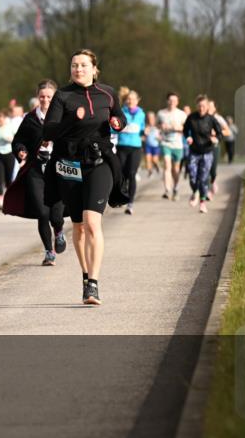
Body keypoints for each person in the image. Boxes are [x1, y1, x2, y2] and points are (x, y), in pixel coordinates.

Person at [42, 49, 126, 306]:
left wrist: (117, 122)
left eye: (83, 65)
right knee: (77, 226)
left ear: (94, 69)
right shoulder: (63, 95)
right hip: (70, 165)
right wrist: (71, 121)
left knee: (92, 222)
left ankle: (94, 284)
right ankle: (85, 275)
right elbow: (49, 129)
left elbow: (119, 116)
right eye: (74, 65)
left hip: (98, 162)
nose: (78, 69)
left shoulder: (107, 93)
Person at [13, 79, 66, 266]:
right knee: (42, 213)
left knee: (56, 215)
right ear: (38, 97)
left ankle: (59, 231)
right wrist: (20, 150)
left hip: (58, 170)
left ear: (55, 97)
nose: (45, 100)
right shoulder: (30, 118)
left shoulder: (63, 117)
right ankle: (48, 251)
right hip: (36, 171)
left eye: (49, 96)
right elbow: (18, 140)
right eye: (42, 96)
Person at [183, 95, 224, 213]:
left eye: (204, 106)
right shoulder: (191, 118)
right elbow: (185, 130)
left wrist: (216, 139)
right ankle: (194, 191)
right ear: (196, 106)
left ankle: (202, 203)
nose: (201, 108)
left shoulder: (211, 119)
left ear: (207, 107)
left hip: (207, 152)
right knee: (192, 176)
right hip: (194, 151)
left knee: (203, 177)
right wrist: (188, 137)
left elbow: (220, 133)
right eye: (199, 106)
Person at [114, 90, 146, 215]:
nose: (130, 101)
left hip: (135, 148)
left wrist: (144, 132)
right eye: (128, 99)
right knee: (122, 174)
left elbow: (142, 128)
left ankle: (130, 203)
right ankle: (122, 194)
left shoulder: (141, 114)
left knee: (132, 173)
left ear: (138, 100)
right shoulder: (121, 112)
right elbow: (115, 128)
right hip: (122, 147)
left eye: (133, 99)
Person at [157, 93, 187, 201]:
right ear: (167, 101)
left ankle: (176, 188)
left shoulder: (182, 114)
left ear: (177, 102)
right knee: (167, 165)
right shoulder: (161, 113)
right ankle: (167, 190)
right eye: (170, 100)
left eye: (174, 100)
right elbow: (157, 125)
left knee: (176, 169)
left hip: (177, 145)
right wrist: (161, 126)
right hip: (166, 143)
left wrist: (178, 128)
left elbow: (187, 129)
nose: (172, 102)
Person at [207, 100, 230, 198]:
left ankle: (213, 181)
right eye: (207, 106)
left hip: (214, 145)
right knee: (205, 168)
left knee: (212, 169)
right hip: (203, 146)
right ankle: (207, 191)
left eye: (210, 106)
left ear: (214, 108)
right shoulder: (201, 118)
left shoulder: (218, 118)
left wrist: (216, 133)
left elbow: (227, 132)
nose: (208, 108)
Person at [144, 112, 162, 176]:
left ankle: (157, 166)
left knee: (154, 160)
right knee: (148, 159)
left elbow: (161, 136)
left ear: (154, 118)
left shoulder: (158, 126)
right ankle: (150, 171)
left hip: (155, 146)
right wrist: (145, 134)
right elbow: (144, 136)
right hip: (148, 145)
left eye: (151, 117)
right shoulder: (146, 126)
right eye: (149, 117)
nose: (150, 119)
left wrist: (160, 138)